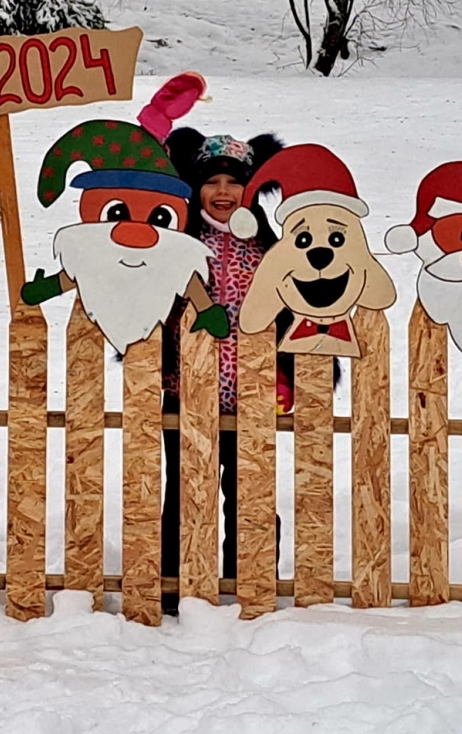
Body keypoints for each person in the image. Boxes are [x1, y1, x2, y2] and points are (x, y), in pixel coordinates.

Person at [158, 126, 286, 614]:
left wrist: (287, 372)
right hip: (188, 389)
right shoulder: (177, 243)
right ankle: (176, 584)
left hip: (254, 391)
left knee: (250, 490)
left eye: (235, 182)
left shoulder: (269, 248)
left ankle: (247, 580)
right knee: (186, 488)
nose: (223, 192)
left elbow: (294, 310)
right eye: (211, 181)